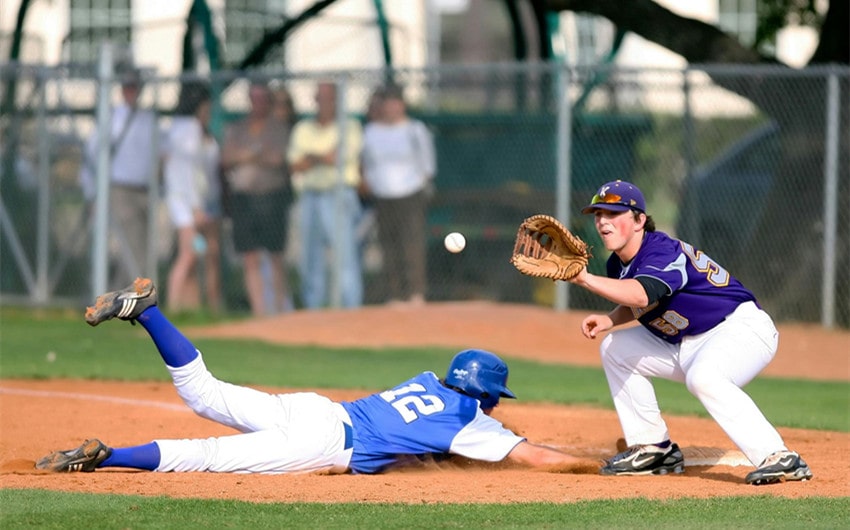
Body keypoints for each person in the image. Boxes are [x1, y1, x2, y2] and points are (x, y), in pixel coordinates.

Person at [35, 278, 593, 475]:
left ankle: (148, 311)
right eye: (494, 400)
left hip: (316, 409)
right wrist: (597, 467)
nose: (495, 409)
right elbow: (534, 456)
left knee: (203, 393)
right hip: (324, 442)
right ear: (485, 397)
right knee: (204, 454)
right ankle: (107, 456)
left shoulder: (427, 380)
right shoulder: (469, 421)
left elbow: (429, 439)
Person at [568, 180, 812, 485]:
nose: (603, 221)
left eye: (613, 213)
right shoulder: (617, 264)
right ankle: (654, 449)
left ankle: (779, 456)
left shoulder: (662, 251)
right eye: (598, 214)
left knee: (704, 377)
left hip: (739, 329)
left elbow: (644, 293)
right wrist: (610, 320)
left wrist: (584, 279)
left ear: (640, 220)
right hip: (687, 342)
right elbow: (646, 301)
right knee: (615, 347)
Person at [79, 68, 160, 288]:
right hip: (120, 190)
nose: (131, 91)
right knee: (132, 247)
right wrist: (91, 193)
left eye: (134, 87)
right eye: (127, 87)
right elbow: (91, 156)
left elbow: (159, 154)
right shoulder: (112, 118)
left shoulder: (148, 119)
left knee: (142, 247)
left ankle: (124, 295)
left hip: (145, 190)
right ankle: (128, 296)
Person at [287, 82, 364, 309]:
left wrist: (311, 157)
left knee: (344, 256)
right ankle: (313, 310)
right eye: (320, 97)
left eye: (329, 97)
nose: (324, 102)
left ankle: (350, 309)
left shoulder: (349, 126)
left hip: (339, 194)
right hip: (310, 195)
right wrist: (321, 157)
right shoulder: (303, 128)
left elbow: (338, 158)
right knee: (310, 257)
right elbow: (295, 165)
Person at [360, 85, 436, 306]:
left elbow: (427, 164)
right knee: (388, 245)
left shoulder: (415, 130)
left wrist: (420, 185)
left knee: (411, 244)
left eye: (396, 103)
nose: (392, 108)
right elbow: (366, 164)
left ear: (402, 105)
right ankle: (395, 295)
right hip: (382, 195)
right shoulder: (371, 131)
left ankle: (415, 293)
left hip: (410, 194)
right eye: (387, 103)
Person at [220, 82, 291, 316]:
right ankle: (260, 312)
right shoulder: (238, 127)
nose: (258, 103)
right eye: (254, 98)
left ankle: (280, 310)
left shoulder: (278, 128)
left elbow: (277, 159)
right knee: (249, 256)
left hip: (271, 199)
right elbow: (227, 158)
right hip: (244, 201)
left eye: (262, 98)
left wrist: (246, 155)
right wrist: (255, 154)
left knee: (275, 255)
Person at [163, 81, 223, 313]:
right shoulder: (188, 130)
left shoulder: (184, 129)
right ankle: (174, 306)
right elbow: (188, 173)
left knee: (199, 253)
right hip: (186, 204)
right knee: (189, 254)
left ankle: (191, 307)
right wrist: (196, 207)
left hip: (195, 202)